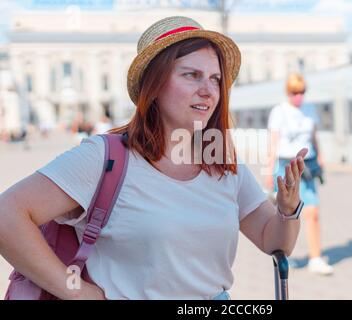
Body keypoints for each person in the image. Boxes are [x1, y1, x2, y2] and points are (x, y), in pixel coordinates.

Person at [0, 16, 309, 300]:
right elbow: (7, 215)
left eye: (215, 79)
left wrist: (287, 209)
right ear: (155, 84)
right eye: (192, 75)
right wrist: (78, 292)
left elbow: (275, 242)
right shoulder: (105, 158)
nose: (208, 90)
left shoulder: (223, 164)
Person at [266, 73, 333, 275]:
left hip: (308, 164)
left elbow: (314, 136)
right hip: (286, 163)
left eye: (302, 92)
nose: (298, 97)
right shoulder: (279, 112)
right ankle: (286, 254)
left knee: (312, 212)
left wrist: (320, 156)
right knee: (287, 215)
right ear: (288, 93)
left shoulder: (310, 110)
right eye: (294, 92)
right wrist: (269, 171)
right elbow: (273, 143)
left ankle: (315, 257)